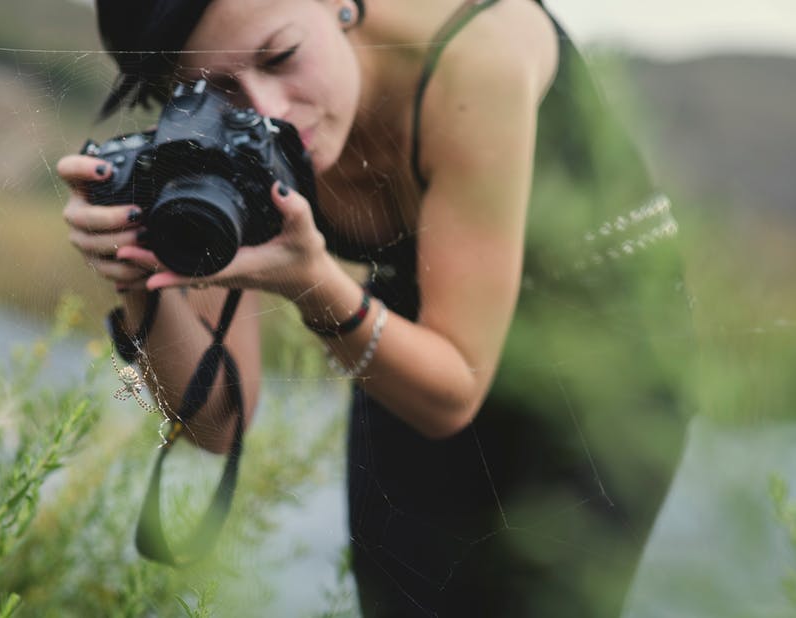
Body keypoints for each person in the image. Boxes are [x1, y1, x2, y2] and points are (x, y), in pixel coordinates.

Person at [58, 0, 695, 615]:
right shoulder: (216, 135)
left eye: (280, 56)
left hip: (610, 350)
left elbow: (455, 393)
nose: (270, 110)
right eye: (217, 91)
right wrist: (138, 277)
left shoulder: (474, 53)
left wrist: (312, 282)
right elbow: (218, 424)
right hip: (411, 330)